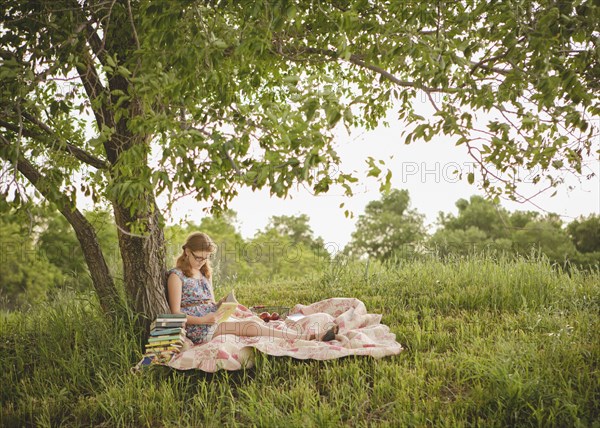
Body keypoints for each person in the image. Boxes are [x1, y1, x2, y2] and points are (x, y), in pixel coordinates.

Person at [166, 232, 338, 345]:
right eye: (198, 257)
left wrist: (223, 303)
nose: (202, 262)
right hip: (198, 327)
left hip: (213, 318)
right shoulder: (177, 276)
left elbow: (209, 302)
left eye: (206, 258)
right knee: (250, 326)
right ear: (187, 251)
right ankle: (309, 338)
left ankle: (303, 334)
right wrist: (204, 320)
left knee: (255, 322)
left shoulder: (204, 273)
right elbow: (175, 314)